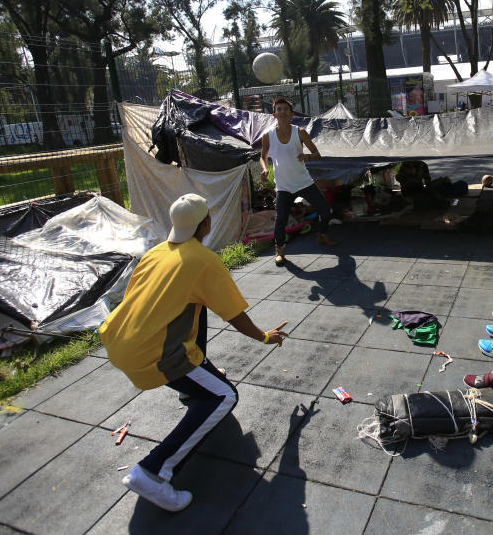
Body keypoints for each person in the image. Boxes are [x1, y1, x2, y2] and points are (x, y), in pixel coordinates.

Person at [98, 193, 289, 511]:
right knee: (224, 397)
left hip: (119, 339)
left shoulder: (157, 253)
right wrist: (265, 337)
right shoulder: (203, 260)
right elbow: (235, 316)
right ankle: (152, 472)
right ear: (205, 223)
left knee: (194, 308)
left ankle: (191, 392)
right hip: (152, 354)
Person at [260, 97, 337, 267]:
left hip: (303, 181)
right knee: (280, 220)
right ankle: (279, 250)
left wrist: (307, 156)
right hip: (283, 186)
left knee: (325, 210)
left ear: (291, 114)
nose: (282, 111)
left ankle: (322, 234)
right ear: (274, 114)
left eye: (285, 109)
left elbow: (317, 154)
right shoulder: (268, 136)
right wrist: (265, 169)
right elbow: (263, 156)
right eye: (278, 109)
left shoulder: (300, 132)